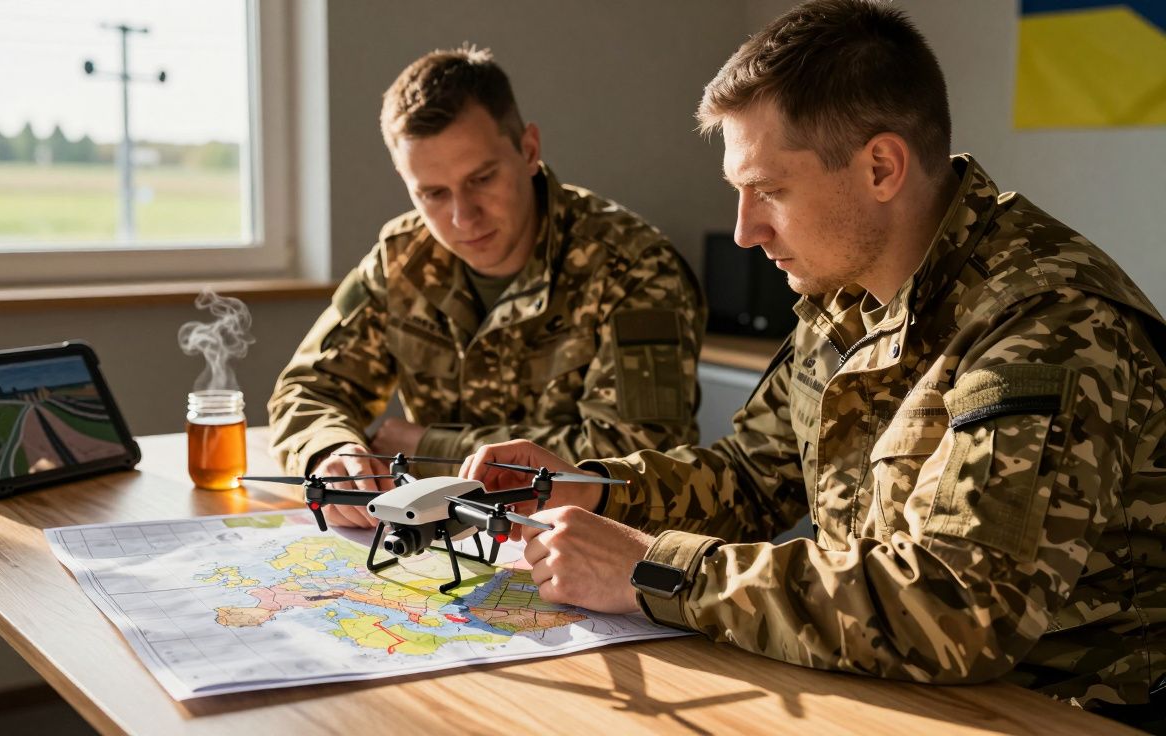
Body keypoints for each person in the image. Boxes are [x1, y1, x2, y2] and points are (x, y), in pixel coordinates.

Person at [463, 1, 1165, 727]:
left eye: (768, 190)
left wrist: (652, 567)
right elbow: (753, 478)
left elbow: (959, 607)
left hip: (1055, 714)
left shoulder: (1047, 321)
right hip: (884, 691)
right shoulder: (843, 296)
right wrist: (591, 491)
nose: (743, 230)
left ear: (882, 167)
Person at [269, 46, 705, 527]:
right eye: (432, 193)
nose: (462, 216)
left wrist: (429, 447)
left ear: (529, 150)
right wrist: (332, 452)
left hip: (592, 552)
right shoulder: (401, 260)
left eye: (482, 178)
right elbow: (308, 388)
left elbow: (636, 454)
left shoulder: (634, 266)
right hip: (443, 544)